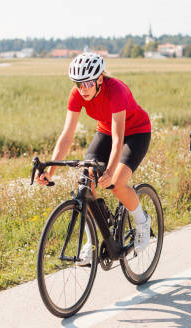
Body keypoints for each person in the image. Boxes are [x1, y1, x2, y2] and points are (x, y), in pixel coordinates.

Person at [35, 51, 152, 265]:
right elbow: (67, 135)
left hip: (135, 133)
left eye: (88, 83)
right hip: (105, 132)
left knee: (117, 183)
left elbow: (119, 140)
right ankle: (93, 242)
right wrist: (50, 172)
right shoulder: (77, 93)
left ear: (99, 79)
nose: (83, 89)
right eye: (78, 84)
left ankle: (142, 222)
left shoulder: (115, 90)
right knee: (85, 181)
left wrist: (109, 173)